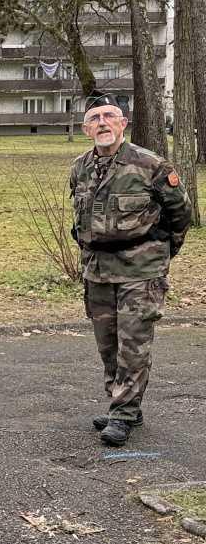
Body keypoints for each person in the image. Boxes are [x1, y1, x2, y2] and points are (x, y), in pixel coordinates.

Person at [70, 94, 191, 445]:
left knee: (133, 346)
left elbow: (181, 215)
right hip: (98, 270)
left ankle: (122, 414)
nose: (103, 123)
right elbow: (80, 220)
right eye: (95, 118)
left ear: (124, 123)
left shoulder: (151, 165)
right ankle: (124, 404)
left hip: (141, 270)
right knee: (107, 345)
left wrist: (160, 257)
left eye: (110, 116)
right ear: (85, 128)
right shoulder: (80, 167)